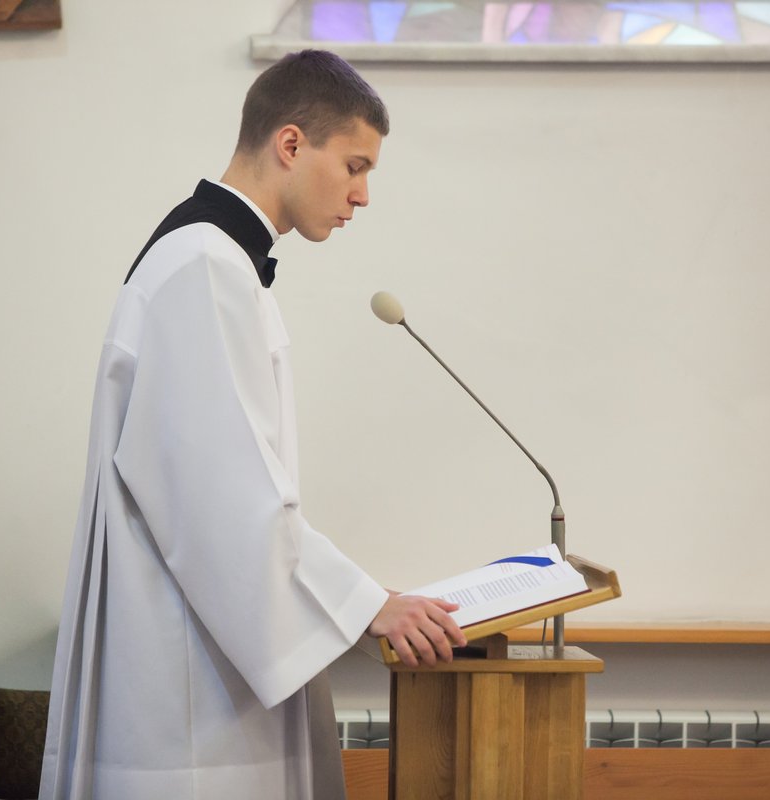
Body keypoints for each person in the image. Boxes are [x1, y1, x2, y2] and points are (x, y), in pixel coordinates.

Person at [38, 50, 466, 800]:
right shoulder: (205, 267)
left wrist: (362, 596)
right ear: (291, 143)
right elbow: (224, 502)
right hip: (185, 692)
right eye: (355, 166)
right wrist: (366, 604)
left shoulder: (213, 259)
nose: (362, 195)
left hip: (198, 659)